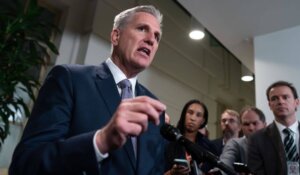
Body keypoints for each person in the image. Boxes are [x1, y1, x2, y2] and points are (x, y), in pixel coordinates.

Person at [9, 5, 167, 175]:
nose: (151, 39)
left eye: (157, 37)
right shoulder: (69, 79)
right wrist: (100, 142)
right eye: (142, 29)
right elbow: (25, 164)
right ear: (116, 36)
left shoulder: (155, 109)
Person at [248, 81, 300, 175]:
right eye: (274, 99)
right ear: (270, 105)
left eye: (285, 97)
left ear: (296, 102)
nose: (280, 101)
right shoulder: (257, 139)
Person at [164, 99, 217, 175]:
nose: (193, 118)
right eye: (190, 112)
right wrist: (172, 173)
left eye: (198, 115)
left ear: (202, 121)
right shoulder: (168, 142)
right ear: (184, 114)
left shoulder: (209, 147)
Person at [220, 106, 266, 174]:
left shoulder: (275, 144)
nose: (251, 128)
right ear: (241, 127)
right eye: (246, 124)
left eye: (255, 123)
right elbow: (225, 163)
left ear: (265, 125)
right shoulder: (235, 144)